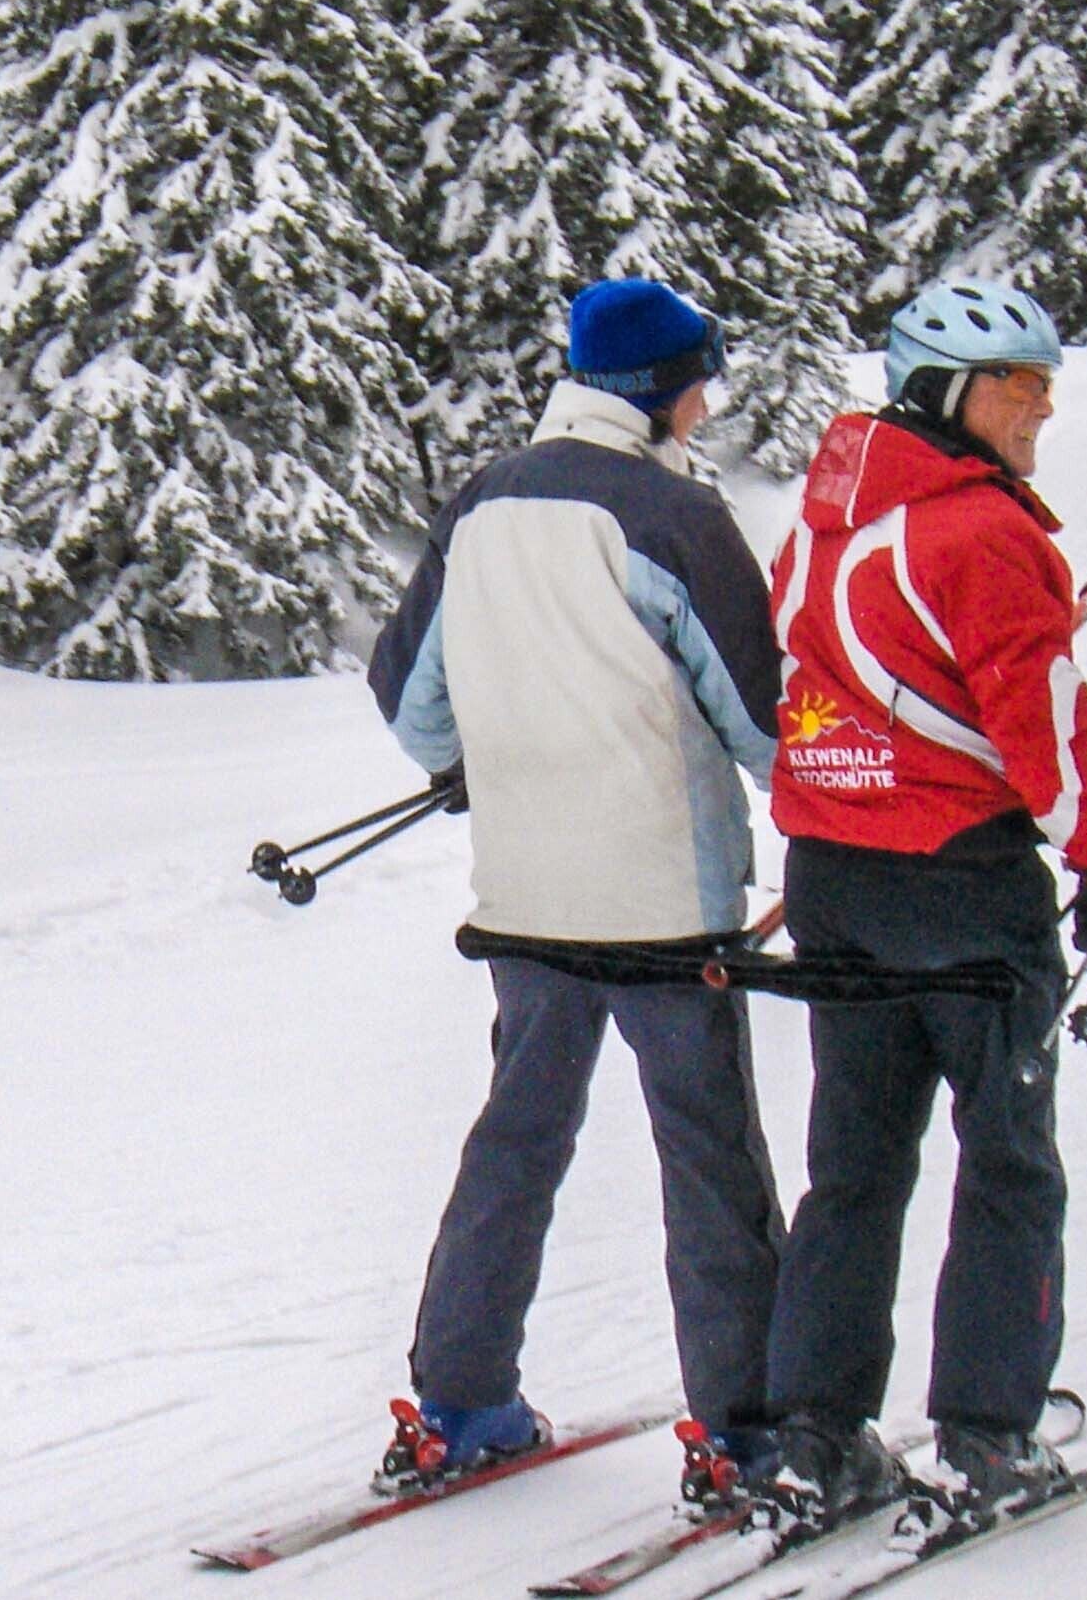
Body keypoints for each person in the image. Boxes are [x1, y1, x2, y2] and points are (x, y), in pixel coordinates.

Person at [366, 278, 789, 1492]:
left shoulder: (483, 502)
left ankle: (457, 1397)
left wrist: (475, 765)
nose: (707, 402)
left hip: (523, 897)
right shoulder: (672, 514)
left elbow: (410, 705)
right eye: (701, 379)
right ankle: (744, 1428)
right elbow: (761, 721)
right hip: (666, 905)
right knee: (709, 1158)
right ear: (663, 388)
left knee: (516, 1140)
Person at [756, 277, 1087, 1531]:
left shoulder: (822, 518)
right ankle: (985, 1432)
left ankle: (817, 1429)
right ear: (944, 393)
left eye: (1045, 384)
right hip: (964, 888)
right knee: (1009, 1161)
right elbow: (1044, 731)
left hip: (834, 877)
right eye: (1016, 386)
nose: (1039, 408)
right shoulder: (982, 532)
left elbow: (828, 675)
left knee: (854, 1164)